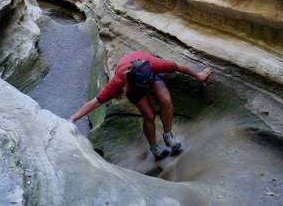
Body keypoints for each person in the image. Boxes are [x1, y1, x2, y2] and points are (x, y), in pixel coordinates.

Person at [69, 50, 212, 160]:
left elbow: (180, 67)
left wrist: (199, 76)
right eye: (145, 86)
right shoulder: (119, 82)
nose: (148, 88)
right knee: (148, 115)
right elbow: (95, 102)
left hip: (149, 74)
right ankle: (155, 148)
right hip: (133, 86)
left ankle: (169, 136)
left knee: (165, 100)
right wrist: (72, 119)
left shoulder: (153, 64)